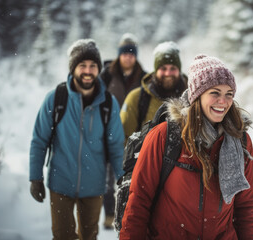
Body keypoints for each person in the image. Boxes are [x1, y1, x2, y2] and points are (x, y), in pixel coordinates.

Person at [120, 55, 253, 239]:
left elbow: (248, 206)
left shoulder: (240, 140)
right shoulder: (165, 136)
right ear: (197, 96)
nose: (223, 101)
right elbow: (139, 200)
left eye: (229, 94)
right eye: (215, 93)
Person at [29, 39, 125, 240]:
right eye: (82, 66)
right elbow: (39, 140)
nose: (88, 71)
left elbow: (116, 146)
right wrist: (35, 177)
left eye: (92, 66)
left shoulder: (108, 103)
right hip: (60, 183)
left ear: (98, 68)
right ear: (73, 68)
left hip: (94, 186)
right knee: (62, 236)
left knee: (89, 236)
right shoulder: (56, 98)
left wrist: (123, 180)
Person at [100, 33, 146, 229]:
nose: (128, 57)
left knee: (131, 177)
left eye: (131, 54)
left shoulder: (143, 77)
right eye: (125, 53)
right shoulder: (107, 75)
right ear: (119, 55)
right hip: (108, 133)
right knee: (108, 178)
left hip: (134, 136)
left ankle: (127, 213)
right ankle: (110, 213)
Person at [120, 41, 187, 142]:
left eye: (173, 68)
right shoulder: (136, 98)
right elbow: (123, 137)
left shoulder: (191, 98)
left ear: (179, 70)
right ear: (155, 70)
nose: (168, 73)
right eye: (163, 68)